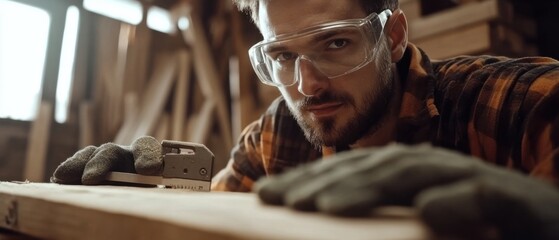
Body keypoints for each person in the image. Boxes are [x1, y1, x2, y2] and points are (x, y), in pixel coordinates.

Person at [52, 0, 559, 239]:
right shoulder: (276, 139)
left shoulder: (517, 101)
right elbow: (217, 219)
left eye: (335, 43)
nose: (307, 85)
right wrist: (145, 200)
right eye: (282, 56)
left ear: (395, 36)